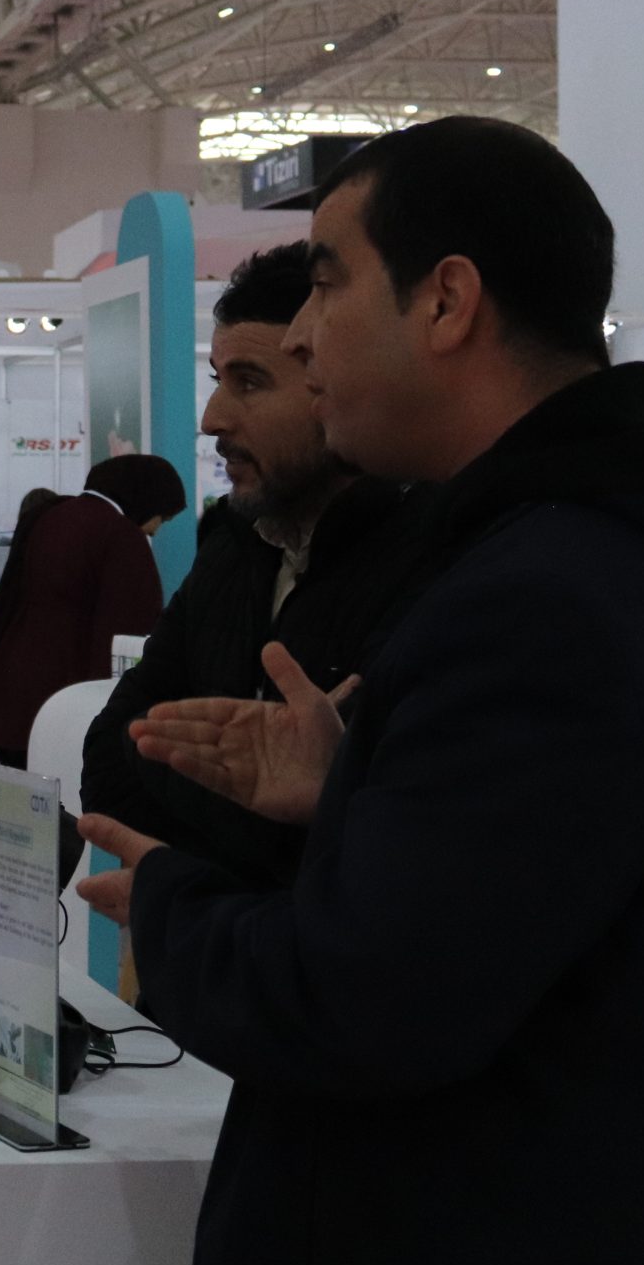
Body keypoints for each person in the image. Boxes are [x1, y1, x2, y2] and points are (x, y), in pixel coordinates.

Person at [76, 118, 644, 1265]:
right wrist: (360, 793)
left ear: (446, 301)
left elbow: (357, 1001)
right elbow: (605, 905)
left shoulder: (546, 598)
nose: (304, 337)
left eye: (327, 281)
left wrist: (174, 907)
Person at [81, 243, 434, 893]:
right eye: (218, 379)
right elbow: (110, 752)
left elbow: (387, 843)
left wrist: (206, 872)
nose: (213, 418)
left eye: (249, 382)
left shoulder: (429, 567)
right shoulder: (232, 548)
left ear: (333, 382)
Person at [0, 452, 186, 765]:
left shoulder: (48, 516)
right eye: (162, 518)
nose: (155, 529)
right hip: (68, 708)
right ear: (147, 500)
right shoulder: (121, 536)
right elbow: (129, 632)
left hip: (12, 698)